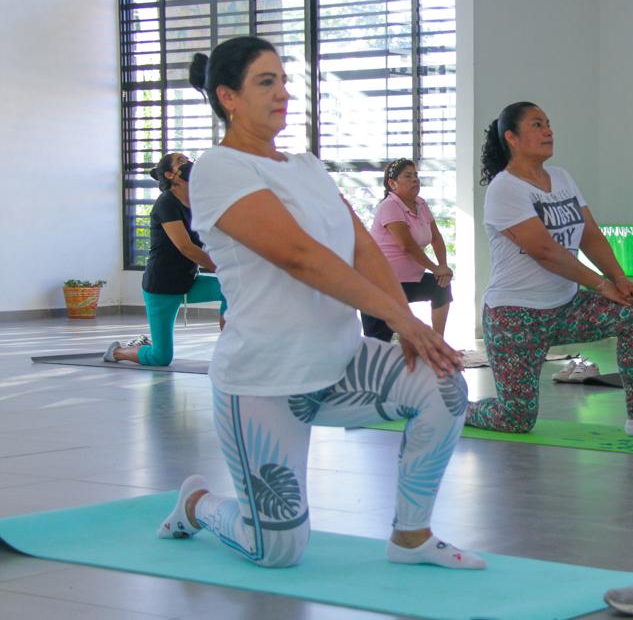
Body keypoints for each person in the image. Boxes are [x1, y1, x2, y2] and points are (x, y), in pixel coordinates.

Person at [155, 36, 483, 571]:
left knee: (442, 384)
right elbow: (299, 256)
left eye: (284, 81)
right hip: (263, 383)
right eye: (266, 82)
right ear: (228, 97)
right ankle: (197, 504)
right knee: (277, 550)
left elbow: (359, 245)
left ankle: (411, 535)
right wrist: (403, 317)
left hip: (338, 365)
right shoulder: (218, 168)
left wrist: (403, 324)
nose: (283, 93)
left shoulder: (305, 165)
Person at [466, 101, 633, 438]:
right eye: (537, 125)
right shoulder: (504, 188)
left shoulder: (562, 178)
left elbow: (590, 234)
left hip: (566, 308)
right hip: (515, 317)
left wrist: (620, 280)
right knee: (516, 418)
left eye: (548, 123)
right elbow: (545, 251)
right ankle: (451, 408)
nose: (548, 130)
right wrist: (600, 285)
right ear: (512, 137)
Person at [103, 152, 226, 366]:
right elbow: (185, 247)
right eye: (181, 161)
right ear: (169, 175)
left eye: (188, 160)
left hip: (188, 282)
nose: (187, 163)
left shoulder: (197, 203)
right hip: (161, 287)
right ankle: (118, 352)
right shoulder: (166, 203)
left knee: (232, 287)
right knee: (161, 357)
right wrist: (220, 267)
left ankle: (229, 347)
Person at [361, 159, 454, 341]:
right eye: (408, 176)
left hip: (408, 282)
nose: (415, 180)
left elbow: (436, 238)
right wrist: (435, 269)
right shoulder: (389, 206)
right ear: (392, 184)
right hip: (381, 284)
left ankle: (438, 341)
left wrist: (442, 267)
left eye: (416, 175)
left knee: (441, 287)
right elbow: (407, 245)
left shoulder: (421, 204)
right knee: (379, 345)